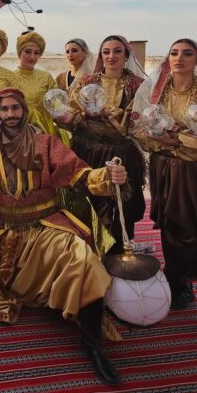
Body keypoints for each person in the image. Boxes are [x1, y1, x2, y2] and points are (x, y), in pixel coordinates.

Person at [0, 88, 128, 385]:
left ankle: (92, 343)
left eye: (15, 109)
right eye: (4, 110)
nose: (10, 115)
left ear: (25, 111)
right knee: (23, 285)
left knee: (82, 257)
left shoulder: (46, 144)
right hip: (10, 237)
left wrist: (107, 177)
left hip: (47, 225)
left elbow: (79, 175)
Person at [132, 39, 197, 309]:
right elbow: (140, 130)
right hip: (166, 169)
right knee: (173, 225)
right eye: (174, 53)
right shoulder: (157, 95)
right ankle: (177, 281)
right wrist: (160, 142)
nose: (180, 58)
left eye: (188, 54)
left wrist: (176, 142)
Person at [57, 35, 147, 252]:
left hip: (120, 154)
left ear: (126, 55)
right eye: (106, 51)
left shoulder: (138, 85)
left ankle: (119, 254)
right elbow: (73, 113)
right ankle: (88, 254)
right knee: (86, 204)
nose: (111, 56)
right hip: (86, 150)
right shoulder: (88, 82)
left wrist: (104, 113)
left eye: (117, 51)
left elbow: (135, 121)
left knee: (119, 208)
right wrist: (73, 117)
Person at [12, 31, 59, 136]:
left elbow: (57, 103)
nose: (32, 57)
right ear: (19, 53)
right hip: (17, 132)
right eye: (27, 51)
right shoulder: (9, 78)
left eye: (36, 53)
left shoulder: (46, 77)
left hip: (44, 131)